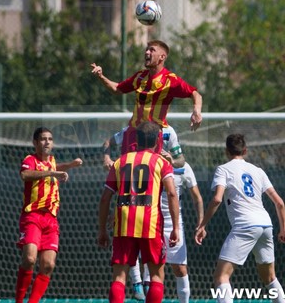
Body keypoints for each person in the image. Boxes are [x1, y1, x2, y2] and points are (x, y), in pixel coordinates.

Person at [195, 133, 285, 303]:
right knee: (270, 277)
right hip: (266, 225)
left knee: (221, 277)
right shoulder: (258, 171)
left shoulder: (224, 169)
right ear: (245, 150)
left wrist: (202, 225)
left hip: (245, 225)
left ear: (226, 151)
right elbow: (280, 203)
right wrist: (283, 229)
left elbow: (216, 199)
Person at [97, 121, 180, 303]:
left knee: (119, 278)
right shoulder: (161, 162)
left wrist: (102, 229)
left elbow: (105, 198)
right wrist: (176, 227)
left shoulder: (120, 162)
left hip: (123, 223)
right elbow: (172, 193)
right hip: (151, 224)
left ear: (136, 139)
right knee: (156, 276)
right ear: (159, 140)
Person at [91, 39, 203, 154]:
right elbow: (117, 89)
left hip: (153, 137)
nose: (147, 52)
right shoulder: (140, 76)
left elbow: (195, 94)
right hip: (133, 133)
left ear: (162, 57)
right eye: (147, 49)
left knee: (149, 170)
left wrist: (197, 111)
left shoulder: (170, 80)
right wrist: (101, 76)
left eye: (152, 50)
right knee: (128, 170)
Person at [15, 127, 83, 303]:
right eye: (43, 139)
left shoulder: (51, 161)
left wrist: (70, 165)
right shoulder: (30, 160)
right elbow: (26, 175)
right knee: (29, 259)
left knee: (48, 265)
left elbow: (55, 167)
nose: (47, 142)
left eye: (50, 139)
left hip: (51, 220)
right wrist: (53, 173)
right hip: (33, 217)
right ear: (35, 143)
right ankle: (19, 300)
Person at [132, 161, 204, 303]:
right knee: (149, 267)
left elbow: (197, 198)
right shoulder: (147, 163)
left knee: (180, 268)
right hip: (150, 222)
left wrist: (201, 223)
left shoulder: (183, 166)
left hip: (173, 224)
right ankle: (138, 286)